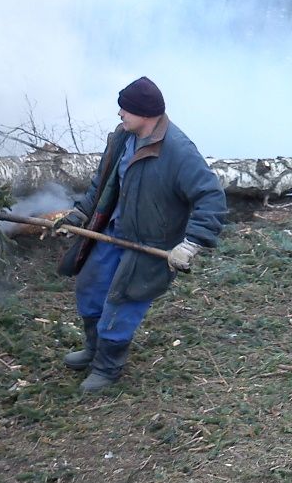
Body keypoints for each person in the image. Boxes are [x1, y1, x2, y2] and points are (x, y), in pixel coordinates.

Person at [54, 76, 226, 391]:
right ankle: (94, 351)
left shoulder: (178, 151)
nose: (120, 114)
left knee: (123, 301)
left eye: (126, 109)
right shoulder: (123, 138)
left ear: (146, 114)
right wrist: (80, 215)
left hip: (149, 244)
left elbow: (211, 197)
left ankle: (107, 369)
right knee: (90, 289)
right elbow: (102, 182)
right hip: (112, 232)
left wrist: (190, 244)